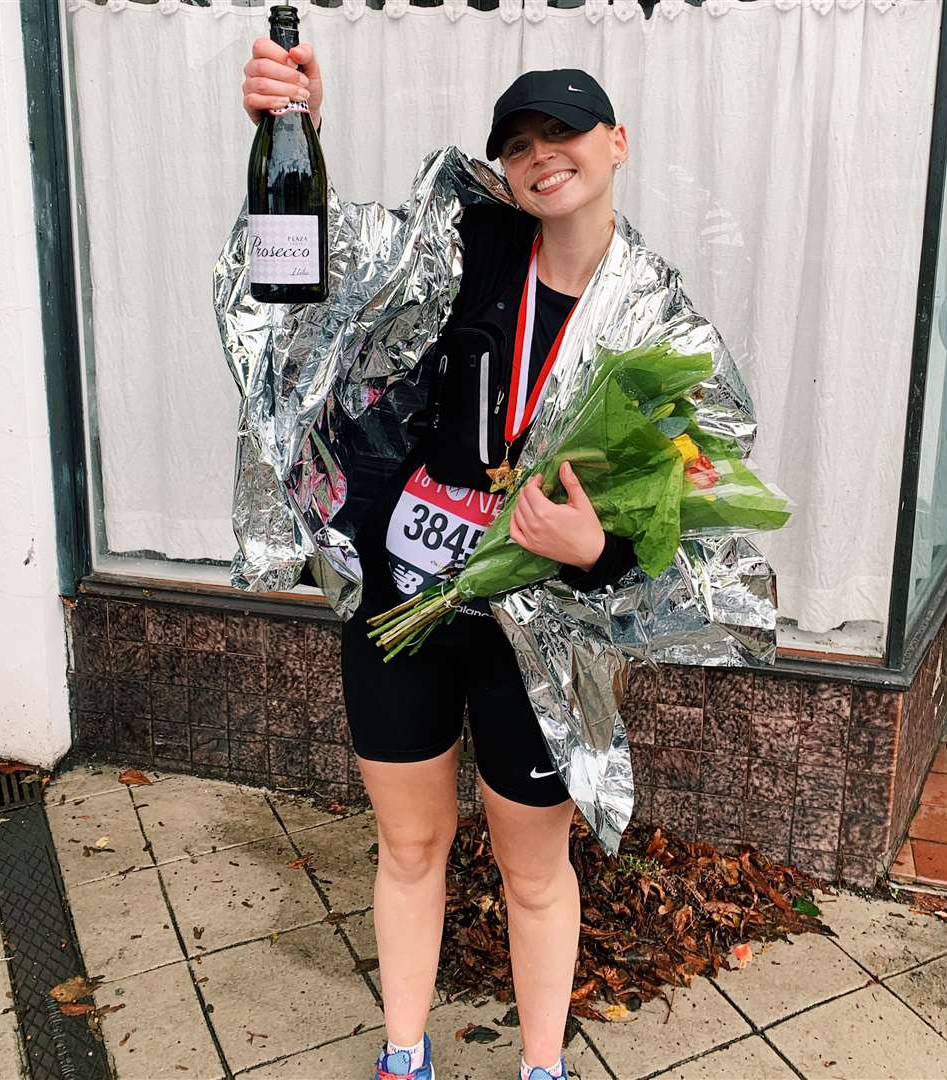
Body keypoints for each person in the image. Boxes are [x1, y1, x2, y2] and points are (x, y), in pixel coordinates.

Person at [243, 40, 635, 1080]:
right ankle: (404, 1056)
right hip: (402, 613)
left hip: (535, 642)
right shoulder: (467, 245)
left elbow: (675, 529)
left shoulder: (652, 320)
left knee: (533, 870)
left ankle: (542, 1068)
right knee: (410, 850)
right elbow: (317, 280)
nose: (543, 155)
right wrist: (296, 134)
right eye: (519, 142)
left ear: (615, 143)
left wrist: (594, 549)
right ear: (502, 167)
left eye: (564, 131)